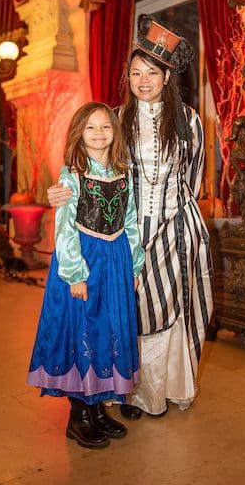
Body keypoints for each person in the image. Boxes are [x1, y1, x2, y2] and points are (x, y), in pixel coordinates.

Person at [48, 15, 214, 417]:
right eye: (136, 72)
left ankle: (160, 390)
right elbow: (91, 168)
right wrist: (62, 191)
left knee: (172, 310)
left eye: (152, 73)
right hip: (124, 237)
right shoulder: (117, 118)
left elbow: (193, 177)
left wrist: (178, 218)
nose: (143, 80)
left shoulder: (190, 121)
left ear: (167, 77)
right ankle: (126, 391)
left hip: (176, 232)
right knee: (126, 313)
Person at [27, 102, 144, 449]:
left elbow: (131, 221)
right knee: (83, 330)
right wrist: (75, 274)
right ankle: (78, 415)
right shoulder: (72, 174)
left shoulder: (124, 171)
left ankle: (98, 409)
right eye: (91, 127)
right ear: (80, 133)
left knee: (109, 330)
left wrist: (134, 265)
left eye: (105, 127)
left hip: (116, 260)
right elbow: (64, 228)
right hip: (83, 261)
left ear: (114, 132)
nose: (98, 133)